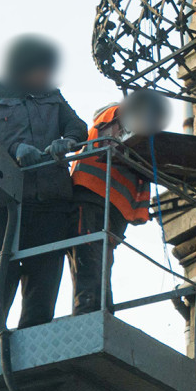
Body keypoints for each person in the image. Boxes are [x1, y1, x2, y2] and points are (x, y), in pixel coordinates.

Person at [0, 34, 87, 337]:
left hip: (51, 203)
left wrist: (67, 140)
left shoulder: (51, 95)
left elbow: (78, 127)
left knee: (42, 291)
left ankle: (34, 347)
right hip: (5, 206)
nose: (45, 75)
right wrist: (14, 151)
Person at [67, 102, 152, 315]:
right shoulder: (112, 115)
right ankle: (94, 312)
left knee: (94, 262)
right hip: (97, 201)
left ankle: (96, 311)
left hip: (104, 204)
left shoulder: (116, 118)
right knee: (93, 262)